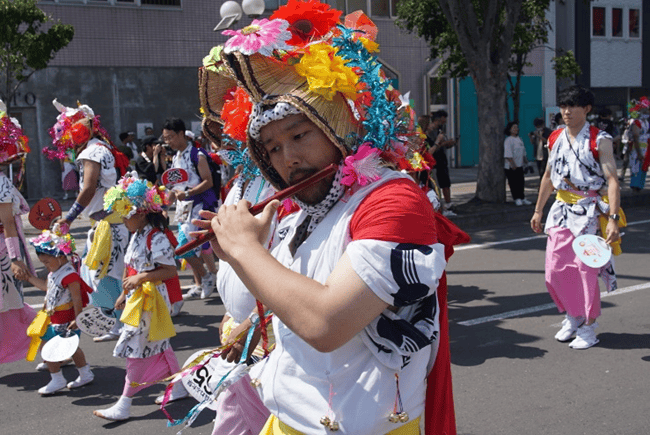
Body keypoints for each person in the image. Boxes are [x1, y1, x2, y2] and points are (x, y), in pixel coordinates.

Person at [194, 6, 467, 434]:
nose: (289, 160)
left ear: (336, 124)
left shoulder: (393, 200)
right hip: (284, 421)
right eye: (273, 148)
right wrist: (237, 254)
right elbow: (286, 302)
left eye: (299, 135)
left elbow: (324, 323)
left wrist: (246, 249)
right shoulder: (301, 210)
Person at [531, 85, 622, 350]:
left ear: (587, 109)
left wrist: (613, 218)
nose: (567, 111)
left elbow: (612, 179)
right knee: (555, 271)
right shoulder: (555, 137)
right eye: (563, 106)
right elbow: (548, 176)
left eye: (573, 106)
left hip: (590, 210)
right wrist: (538, 210)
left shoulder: (599, 139)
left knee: (585, 271)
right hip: (561, 208)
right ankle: (573, 314)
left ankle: (589, 326)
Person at [94, 174, 188, 421]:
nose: (123, 218)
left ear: (142, 212)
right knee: (160, 343)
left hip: (152, 299)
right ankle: (178, 386)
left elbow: (169, 270)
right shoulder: (135, 234)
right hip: (137, 299)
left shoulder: (155, 236)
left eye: (127, 212)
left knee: (135, 349)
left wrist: (141, 278)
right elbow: (128, 266)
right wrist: (124, 292)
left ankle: (125, 403)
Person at [46, 99, 130, 343]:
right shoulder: (99, 148)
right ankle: (113, 322)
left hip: (110, 225)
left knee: (107, 275)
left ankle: (119, 324)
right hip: (108, 224)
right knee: (102, 275)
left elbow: (89, 187)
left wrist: (69, 217)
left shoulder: (92, 151)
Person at [25, 229, 94, 395]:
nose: (46, 266)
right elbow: (48, 290)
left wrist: (77, 319)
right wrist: (28, 278)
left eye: (47, 262)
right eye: (44, 263)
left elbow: (77, 299)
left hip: (67, 318)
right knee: (55, 346)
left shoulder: (70, 276)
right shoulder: (54, 273)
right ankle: (79, 374)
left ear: (61, 256)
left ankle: (62, 378)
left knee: (58, 349)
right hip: (54, 317)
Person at [163, 117, 218, 301]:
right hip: (182, 210)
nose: (168, 142)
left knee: (186, 246)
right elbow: (173, 185)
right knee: (192, 247)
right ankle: (200, 282)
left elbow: (208, 181)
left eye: (170, 137)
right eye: (165, 138)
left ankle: (206, 275)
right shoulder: (176, 157)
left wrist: (189, 193)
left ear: (181, 134)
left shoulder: (198, 154)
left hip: (198, 206)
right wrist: (165, 205)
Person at [0, 99, 37, 365]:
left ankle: (50, 341)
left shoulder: (1, 183)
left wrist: (15, 259)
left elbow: (8, 224)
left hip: (3, 252)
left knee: (14, 305)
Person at [429, 110, 458, 215]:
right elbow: (433, 147)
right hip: (435, 160)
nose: (445, 121)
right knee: (436, 183)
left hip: (442, 159)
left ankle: (448, 203)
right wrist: (443, 142)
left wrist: (450, 143)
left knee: (445, 182)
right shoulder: (430, 132)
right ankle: (440, 206)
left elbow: (441, 145)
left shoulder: (440, 129)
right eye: (443, 119)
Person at [504, 122, 531, 206]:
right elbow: (508, 154)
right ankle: (516, 198)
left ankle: (522, 198)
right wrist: (513, 165)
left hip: (520, 165)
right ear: (509, 129)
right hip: (511, 166)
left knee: (521, 182)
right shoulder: (508, 140)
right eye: (514, 128)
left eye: (517, 127)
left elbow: (523, 153)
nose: (516, 129)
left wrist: (527, 163)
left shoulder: (519, 139)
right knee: (513, 183)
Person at [627, 98, 650, 191]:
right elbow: (636, 137)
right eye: (647, 110)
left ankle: (640, 186)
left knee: (643, 167)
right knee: (636, 167)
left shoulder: (646, 122)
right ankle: (635, 186)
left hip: (645, 149)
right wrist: (639, 153)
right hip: (637, 150)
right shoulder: (637, 122)